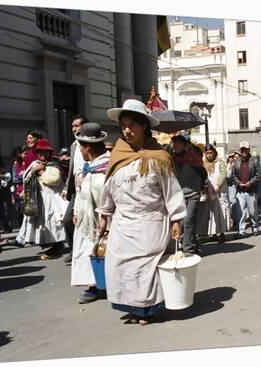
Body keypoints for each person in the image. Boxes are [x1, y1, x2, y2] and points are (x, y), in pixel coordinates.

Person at [97, 99, 186, 325]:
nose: (127, 130)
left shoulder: (158, 157)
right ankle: (132, 307)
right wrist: (104, 214)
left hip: (151, 222)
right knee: (121, 266)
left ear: (144, 126)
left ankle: (148, 310)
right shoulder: (117, 155)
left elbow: (171, 190)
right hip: (122, 224)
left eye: (133, 125)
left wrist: (176, 218)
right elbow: (109, 188)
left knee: (146, 268)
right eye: (124, 125)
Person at [70, 123, 110, 304]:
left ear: (88, 147)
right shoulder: (90, 167)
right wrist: (77, 210)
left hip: (101, 222)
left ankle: (101, 286)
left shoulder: (104, 168)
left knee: (101, 253)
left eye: (81, 148)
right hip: (87, 221)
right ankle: (95, 285)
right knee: (90, 253)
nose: (80, 152)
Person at [23, 139, 68, 259]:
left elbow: (55, 180)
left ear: (49, 152)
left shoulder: (54, 165)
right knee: (43, 223)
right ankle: (50, 243)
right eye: (40, 152)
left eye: (45, 152)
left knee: (54, 222)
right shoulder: (34, 164)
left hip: (54, 198)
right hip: (39, 198)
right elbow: (25, 178)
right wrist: (33, 171)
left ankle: (58, 245)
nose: (43, 154)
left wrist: (42, 172)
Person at [171, 134, 207, 255]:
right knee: (179, 222)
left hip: (192, 195)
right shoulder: (171, 159)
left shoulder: (193, 158)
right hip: (178, 196)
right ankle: (192, 243)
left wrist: (199, 188)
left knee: (188, 221)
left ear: (184, 145)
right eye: (174, 143)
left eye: (178, 143)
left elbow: (203, 174)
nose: (175, 145)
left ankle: (188, 249)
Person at [61, 115, 89, 263]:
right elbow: (72, 170)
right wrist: (67, 187)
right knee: (67, 220)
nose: (74, 129)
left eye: (77, 126)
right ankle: (73, 250)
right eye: (72, 126)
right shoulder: (73, 146)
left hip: (90, 187)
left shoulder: (92, 143)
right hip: (76, 191)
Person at [231, 141, 261, 237]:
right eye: (242, 149)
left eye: (245, 149)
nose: (244, 151)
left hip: (251, 190)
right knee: (241, 211)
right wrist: (238, 183)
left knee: (253, 211)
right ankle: (241, 230)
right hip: (240, 191)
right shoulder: (236, 162)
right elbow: (233, 175)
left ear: (249, 150)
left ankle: (255, 227)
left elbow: (259, 174)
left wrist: (250, 182)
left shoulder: (254, 161)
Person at [197, 144, 227, 243]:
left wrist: (218, 185)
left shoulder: (220, 162)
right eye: (207, 153)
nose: (209, 155)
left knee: (220, 213)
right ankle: (213, 234)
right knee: (210, 214)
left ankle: (221, 234)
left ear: (214, 153)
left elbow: (223, 174)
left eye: (210, 153)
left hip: (219, 191)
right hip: (208, 191)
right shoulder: (202, 163)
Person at [11, 145, 28, 229]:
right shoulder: (16, 165)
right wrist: (26, 177)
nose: (26, 155)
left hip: (29, 191)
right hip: (20, 193)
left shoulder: (29, 163)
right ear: (20, 154)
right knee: (21, 214)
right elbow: (15, 179)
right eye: (25, 153)